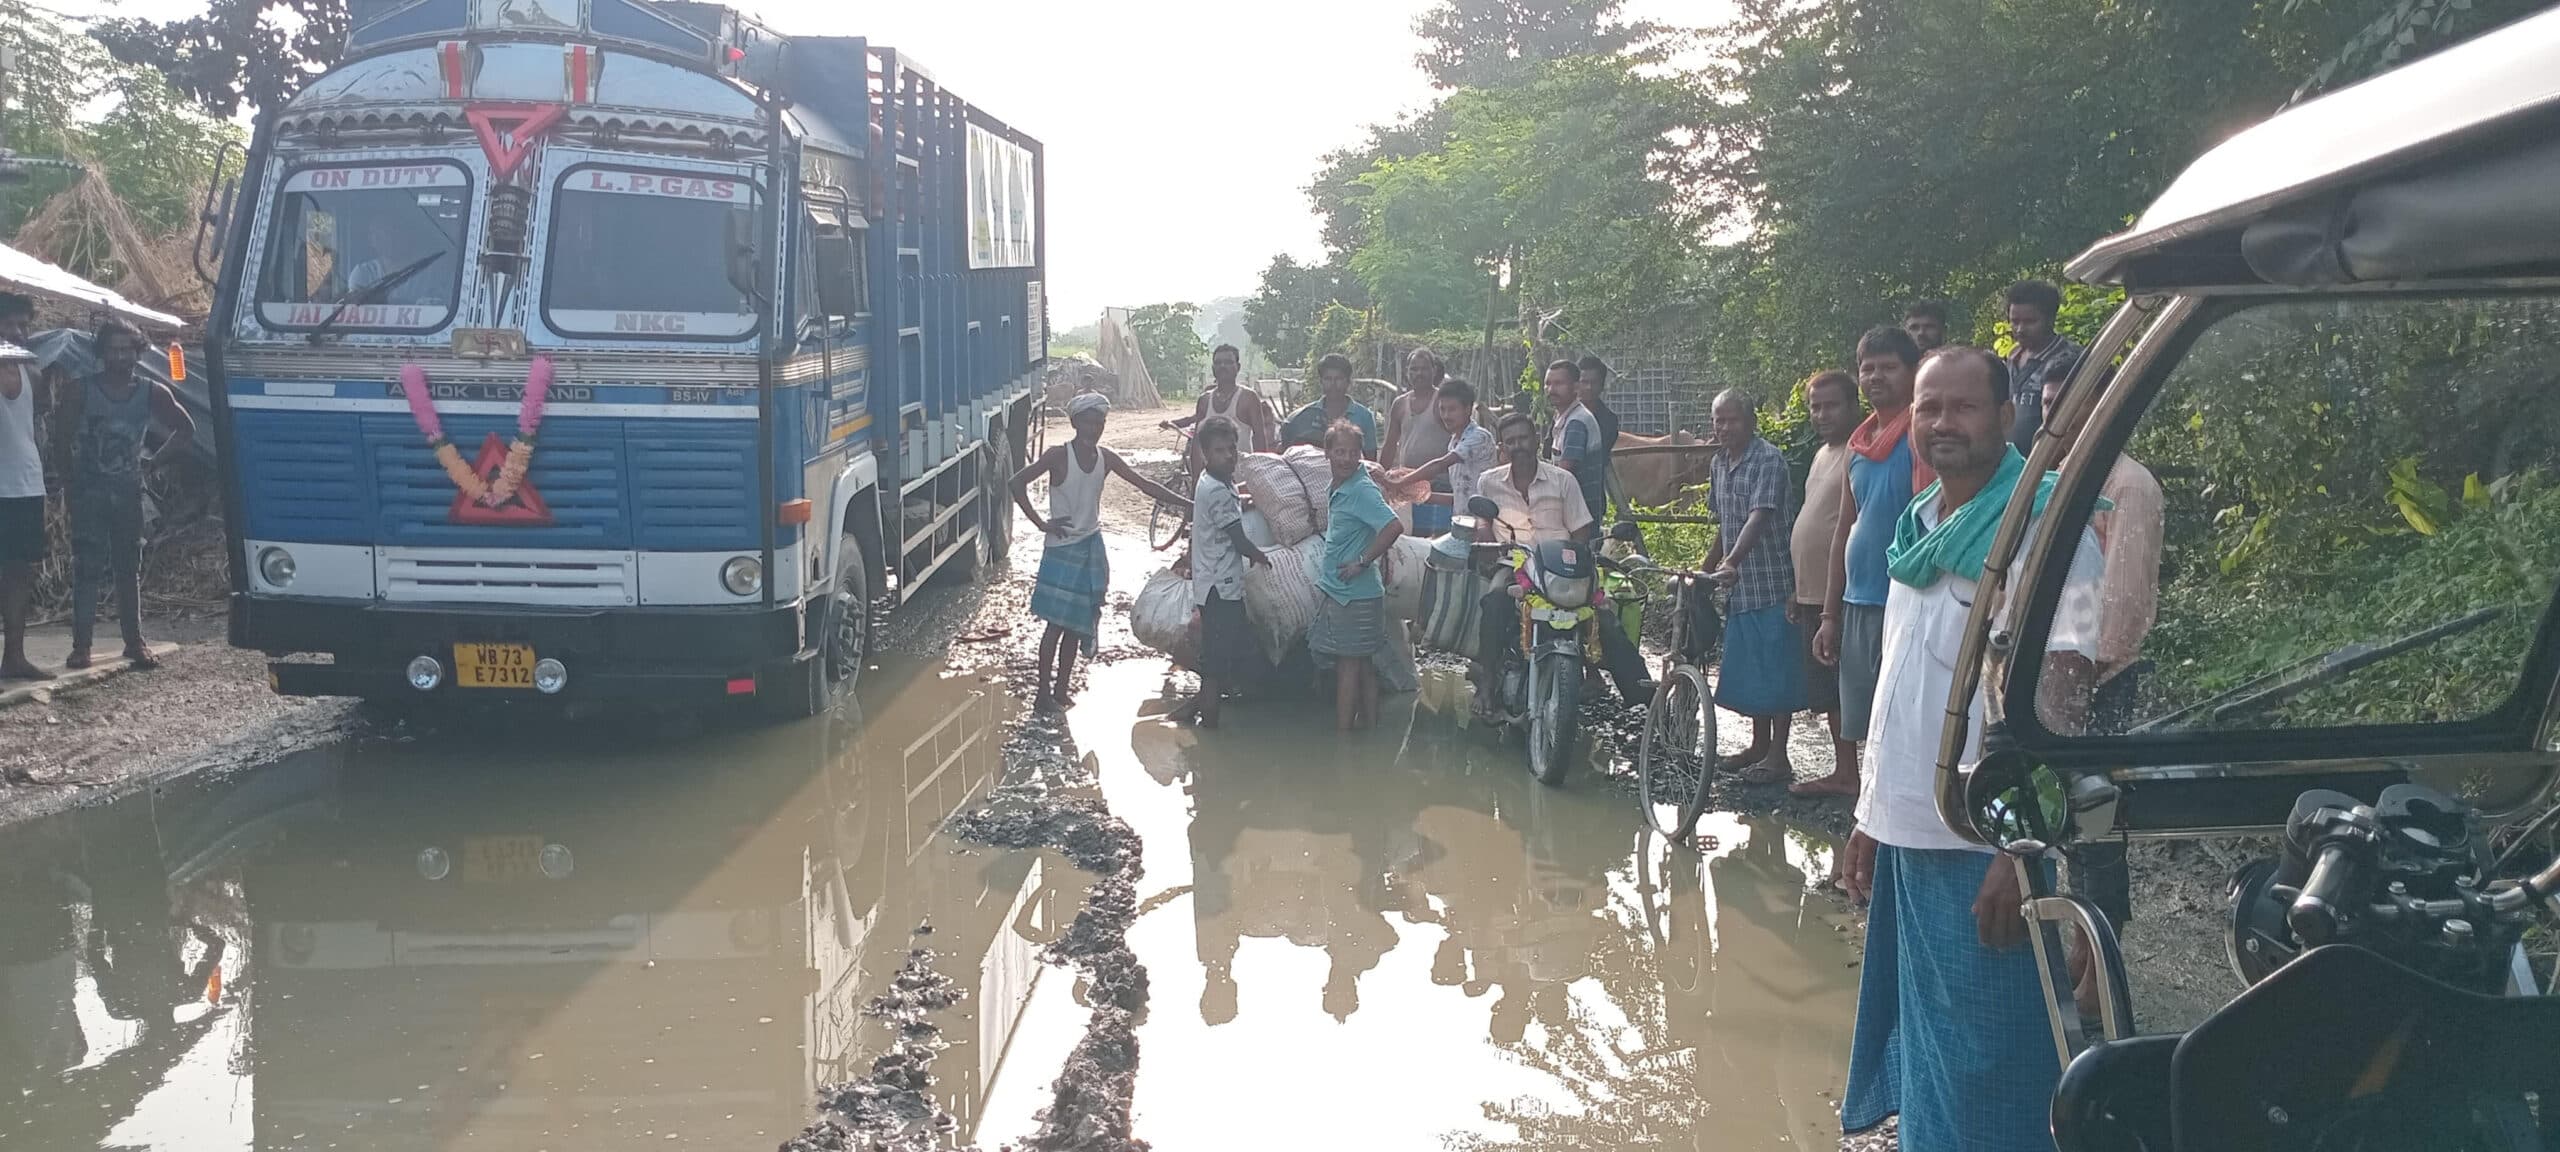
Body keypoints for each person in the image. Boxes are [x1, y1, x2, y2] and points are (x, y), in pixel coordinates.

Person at [1840, 346, 2104, 1152]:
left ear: (2005, 416)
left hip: (1982, 840)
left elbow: (2061, 697)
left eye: (1963, 407)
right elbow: (1901, 684)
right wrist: (1866, 816)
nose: (1942, 423)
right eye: (1929, 408)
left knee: (1996, 1050)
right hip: (1909, 832)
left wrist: (2015, 847)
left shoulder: (2045, 529)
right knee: (1927, 1041)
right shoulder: (1925, 525)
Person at [1011, 392, 1189, 710]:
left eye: (1100, 422)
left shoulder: (1105, 458)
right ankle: (1042, 693)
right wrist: (1041, 523)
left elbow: (1145, 485)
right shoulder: (1057, 455)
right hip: (1062, 549)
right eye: (1090, 421)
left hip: (1090, 545)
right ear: (1076, 422)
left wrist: (1190, 503)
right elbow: (1016, 482)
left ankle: (1061, 689)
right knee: (1055, 625)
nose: (1096, 428)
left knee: (1077, 622)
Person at [1473, 411, 1651, 717]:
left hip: (1563, 567)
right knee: (1494, 602)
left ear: (1537, 440)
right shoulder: (1489, 482)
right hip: (1515, 564)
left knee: (1606, 618)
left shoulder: (1563, 480)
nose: (1518, 446)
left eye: (1523, 438)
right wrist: (1485, 535)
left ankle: (1646, 700)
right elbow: (1482, 520)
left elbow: (1581, 531)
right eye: (1511, 441)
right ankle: (1486, 683)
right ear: (1502, 447)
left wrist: (1576, 563)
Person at [1815, 327, 1927, 799]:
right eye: (1868, 368)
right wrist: (1829, 612)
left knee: (1899, 714)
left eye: (1888, 367)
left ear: (1913, 371)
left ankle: (1899, 806)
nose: (1875, 376)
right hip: (1857, 595)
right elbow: (1846, 527)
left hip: (1902, 597)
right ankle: (1860, 794)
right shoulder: (1860, 444)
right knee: (1860, 709)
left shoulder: (1922, 436)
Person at [56, 319, 192, 670]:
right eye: (113, 350)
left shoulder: (150, 392)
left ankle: (134, 641)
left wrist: (152, 462)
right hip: (90, 491)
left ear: (137, 352)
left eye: (127, 349)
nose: (120, 357)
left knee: (127, 567)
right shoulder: (81, 390)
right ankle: (81, 645)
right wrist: (69, 486)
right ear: (101, 354)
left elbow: (185, 429)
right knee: (86, 566)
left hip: (129, 490)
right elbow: (61, 439)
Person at [1707, 389, 1807, 784]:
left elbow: (1759, 516)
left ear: (1751, 422)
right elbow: (1725, 523)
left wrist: (1732, 561)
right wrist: (1707, 567)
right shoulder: (1718, 463)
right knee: (1753, 669)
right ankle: (1758, 744)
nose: (1724, 427)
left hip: (1773, 580)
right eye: (1718, 420)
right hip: (1739, 588)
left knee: (1777, 669)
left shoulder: (1767, 459)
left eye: (1732, 420)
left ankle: (1779, 755)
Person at [1788, 370, 1861, 797]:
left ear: (1853, 406)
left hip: (1841, 592)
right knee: (1826, 685)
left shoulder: (1859, 451)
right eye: (1815, 407)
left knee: (1841, 682)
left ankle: (1849, 772)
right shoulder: (1821, 454)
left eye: (1831, 405)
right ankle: (1844, 767)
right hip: (1811, 589)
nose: (1822, 414)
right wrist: (1797, 587)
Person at [1173, 417, 1271, 728]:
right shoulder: (1216, 489)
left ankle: (1198, 709)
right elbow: (1239, 539)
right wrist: (1260, 556)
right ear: (1204, 453)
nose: (1229, 455)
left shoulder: (1215, 481)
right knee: (1217, 662)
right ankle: (1208, 725)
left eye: (1232, 449)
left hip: (1214, 583)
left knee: (1222, 653)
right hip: (1220, 586)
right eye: (1220, 450)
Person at [1311, 419, 1404, 730]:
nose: (1347, 459)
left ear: (1360, 454)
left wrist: (1362, 561)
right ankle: (1370, 729)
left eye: (1353, 453)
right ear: (1327, 453)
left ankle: (1343, 740)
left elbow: (1393, 527)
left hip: (1356, 594)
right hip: (1345, 591)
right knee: (1362, 664)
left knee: (1348, 667)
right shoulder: (1340, 486)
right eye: (1340, 452)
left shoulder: (1361, 490)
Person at [0, 295, 49, 681]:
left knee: (18, 572)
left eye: (22, 326)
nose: (17, 332)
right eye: (9, 325)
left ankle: (13, 656)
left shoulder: (33, 372)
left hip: (25, 484)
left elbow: (35, 418)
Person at [1387, 377, 1496, 523]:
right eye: (1442, 409)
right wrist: (1420, 495)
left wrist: (1401, 481)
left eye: (1452, 410)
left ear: (1468, 409)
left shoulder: (1479, 437)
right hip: (1462, 524)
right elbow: (1459, 498)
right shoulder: (1454, 442)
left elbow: (1440, 465)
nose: (1446, 416)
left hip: (1485, 524)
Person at [2003, 279, 2080, 454]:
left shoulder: (2069, 361)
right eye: (2014, 321)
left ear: (2050, 319)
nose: (2020, 329)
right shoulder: (2011, 358)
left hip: (2047, 468)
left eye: (2030, 322)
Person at [1167, 344, 1275, 456]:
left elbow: (1260, 439)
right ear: (1213, 368)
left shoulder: (1248, 397)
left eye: (1228, 362)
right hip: (1212, 472)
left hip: (1243, 470)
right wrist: (1197, 473)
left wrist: (1260, 470)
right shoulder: (1204, 400)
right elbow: (1197, 442)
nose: (1222, 366)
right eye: (1218, 363)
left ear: (1238, 367)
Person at [1544, 360, 1608, 526]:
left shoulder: (1576, 423)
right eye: (1548, 384)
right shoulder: (1565, 418)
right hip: (1572, 513)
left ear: (1576, 387)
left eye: (1558, 384)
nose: (1551, 390)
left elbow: (1563, 474)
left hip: (1579, 517)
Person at [1281, 353, 1379, 458]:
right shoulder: (1302, 417)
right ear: (1321, 382)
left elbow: (1370, 460)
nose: (1333, 384)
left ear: (1348, 382)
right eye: (1328, 379)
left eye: (1339, 379)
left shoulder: (1364, 417)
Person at [1577, 355, 1625, 524]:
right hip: (1559, 494)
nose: (1588, 387)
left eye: (1594, 382)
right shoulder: (1563, 415)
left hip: (1591, 496)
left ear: (1602, 385)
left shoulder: (1608, 420)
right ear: (1576, 384)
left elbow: (1597, 457)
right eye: (1584, 382)